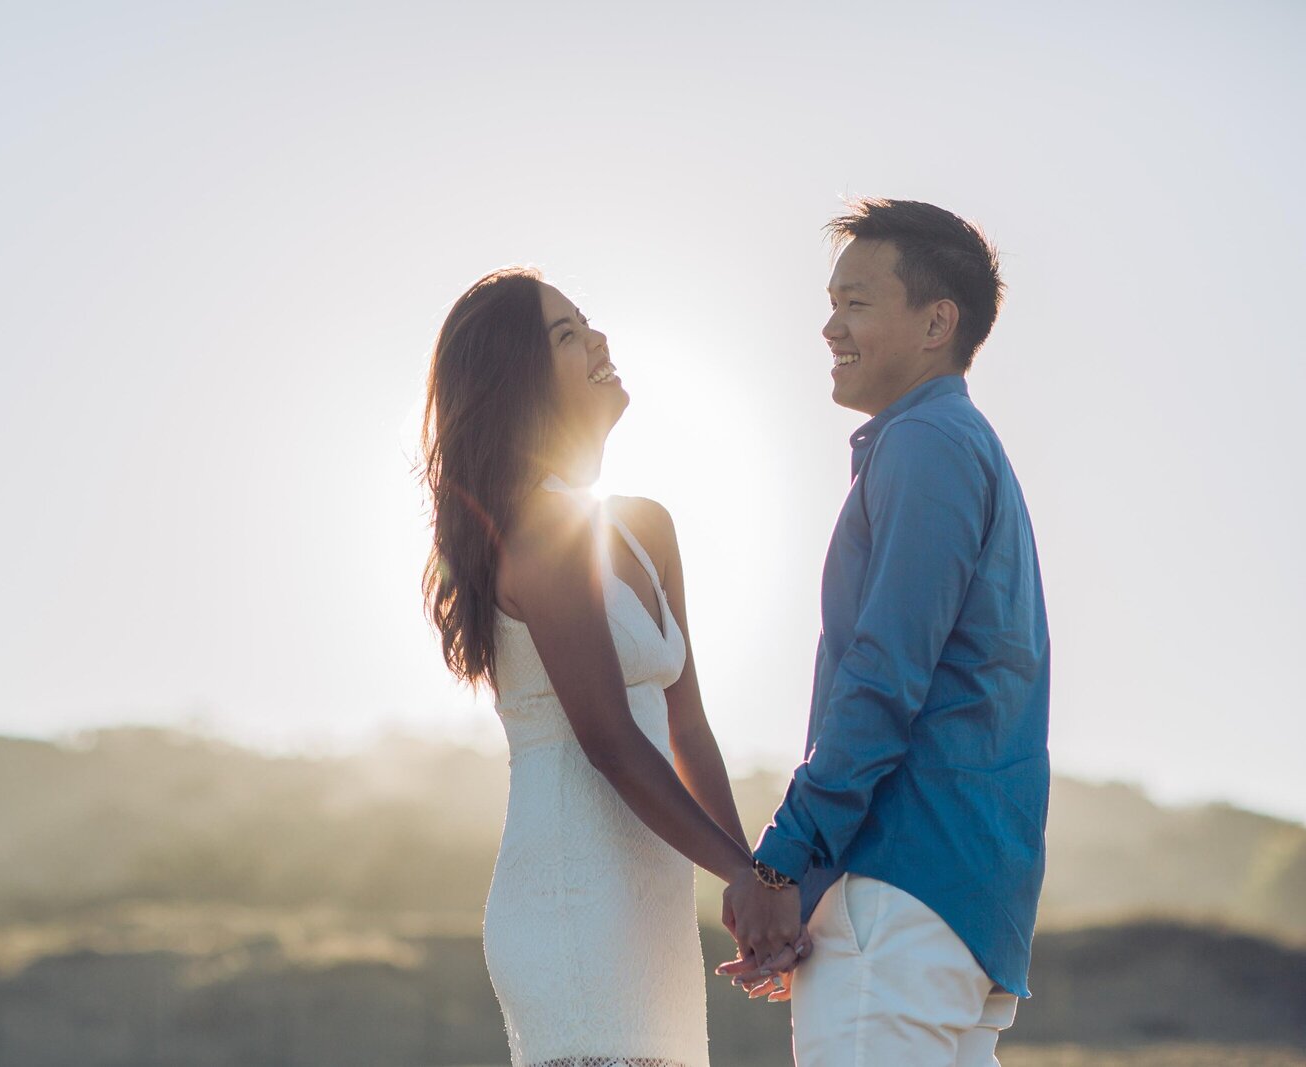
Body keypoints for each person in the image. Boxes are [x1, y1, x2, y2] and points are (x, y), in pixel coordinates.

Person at [419, 267, 799, 1067]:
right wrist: (744, 874)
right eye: (567, 334)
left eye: (589, 322)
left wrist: (751, 891)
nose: (599, 340)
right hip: (571, 903)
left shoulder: (645, 527)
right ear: (519, 379)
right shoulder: (537, 530)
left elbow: (686, 726)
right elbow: (609, 738)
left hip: (650, 909)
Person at [717, 199, 1050, 1066]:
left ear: (937, 321)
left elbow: (882, 678)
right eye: (832, 301)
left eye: (857, 301)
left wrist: (784, 865)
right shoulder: (959, 444)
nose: (830, 325)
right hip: (955, 911)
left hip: (903, 902)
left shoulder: (929, 443)